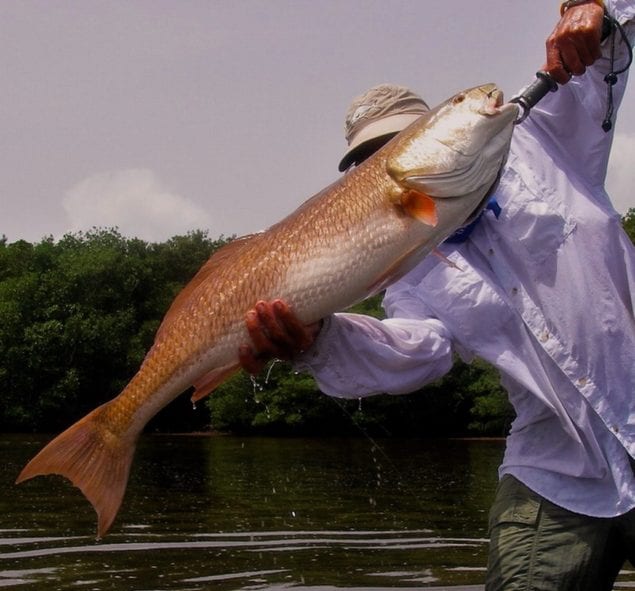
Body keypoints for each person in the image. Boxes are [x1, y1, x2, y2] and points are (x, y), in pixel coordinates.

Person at [239, 1, 635, 589]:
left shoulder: (547, 140)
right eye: (368, 163)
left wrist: (595, 9)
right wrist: (317, 338)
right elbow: (418, 350)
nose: (390, 168)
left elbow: (611, 45)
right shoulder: (406, 267)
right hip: (556, 469)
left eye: (399, 146)